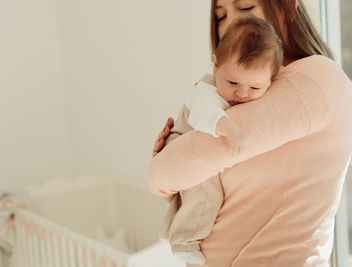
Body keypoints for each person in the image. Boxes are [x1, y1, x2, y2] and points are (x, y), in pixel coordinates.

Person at [148, 0, 352, 266]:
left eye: (245, 8)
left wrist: (169, 160)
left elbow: (162, 173)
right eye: (220, 16)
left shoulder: (315, 79)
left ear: (288, 6)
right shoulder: (239, 96)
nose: (232, 23)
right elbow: (178, 178)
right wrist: (174, 171)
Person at [159, 16, 283, 265]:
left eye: (255, 88)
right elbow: (206, 115)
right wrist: (229, 128)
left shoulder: (252, 87)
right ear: (216, 67)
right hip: (182, 141)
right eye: (233, 82)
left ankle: (170, 231)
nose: (242, 93)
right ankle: (184, 242)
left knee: (193, 196)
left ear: (271, 81)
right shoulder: (207, 91)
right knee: (206, 192)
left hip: (199, 144)